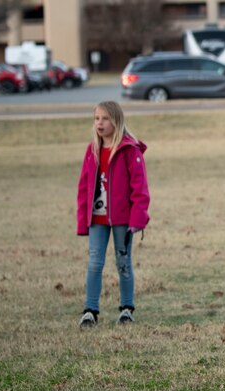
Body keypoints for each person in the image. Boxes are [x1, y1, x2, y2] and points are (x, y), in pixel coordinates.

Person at [76, 101, 150, 327]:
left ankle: (127, 308)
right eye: (97, 118)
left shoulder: (130, 150)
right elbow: (84, 187)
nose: (100, 123)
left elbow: (140, 188)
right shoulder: (93, 150)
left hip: (122, 221)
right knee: (94, 263)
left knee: (123, 262)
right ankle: (90, 310)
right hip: (97, 220)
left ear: (116, 121)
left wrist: (137, 219)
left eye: (105, 118)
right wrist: (82, 221)